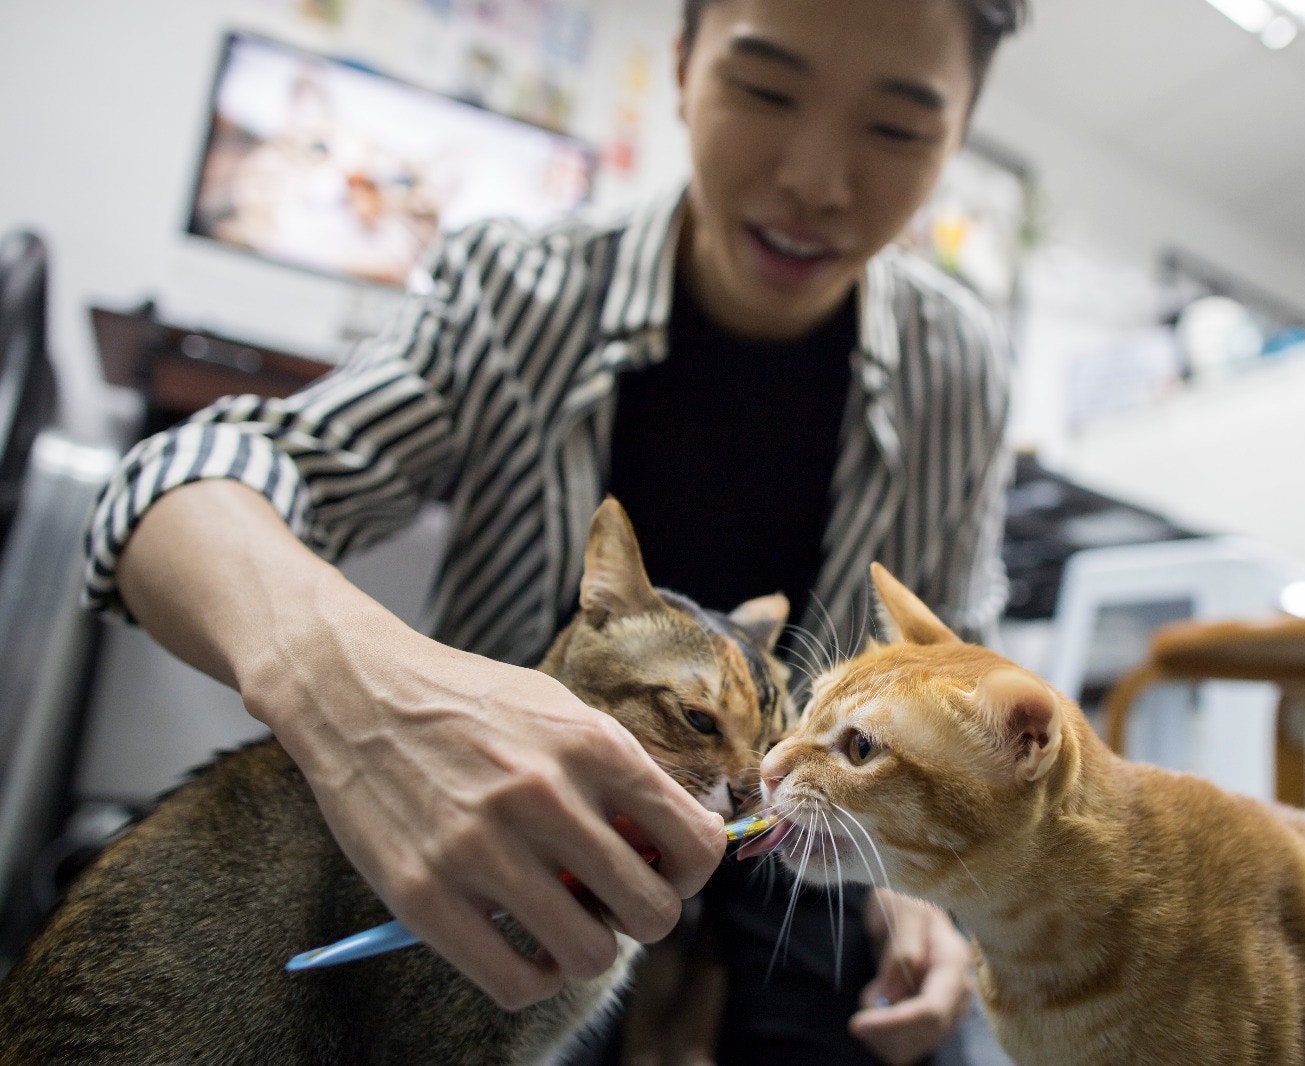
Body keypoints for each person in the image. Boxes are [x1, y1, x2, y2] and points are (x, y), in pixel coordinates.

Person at [83, 0, 1027, 1061]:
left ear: (957, 139)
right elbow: (172, 486)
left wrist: (932, 883)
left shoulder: (959, 369)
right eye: (766, 90)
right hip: (509, 845)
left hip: (793, 846)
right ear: (681, 67)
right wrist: (367, 704)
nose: (815, 179)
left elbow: (949, 656)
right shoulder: (516, 292)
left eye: (896, 128)